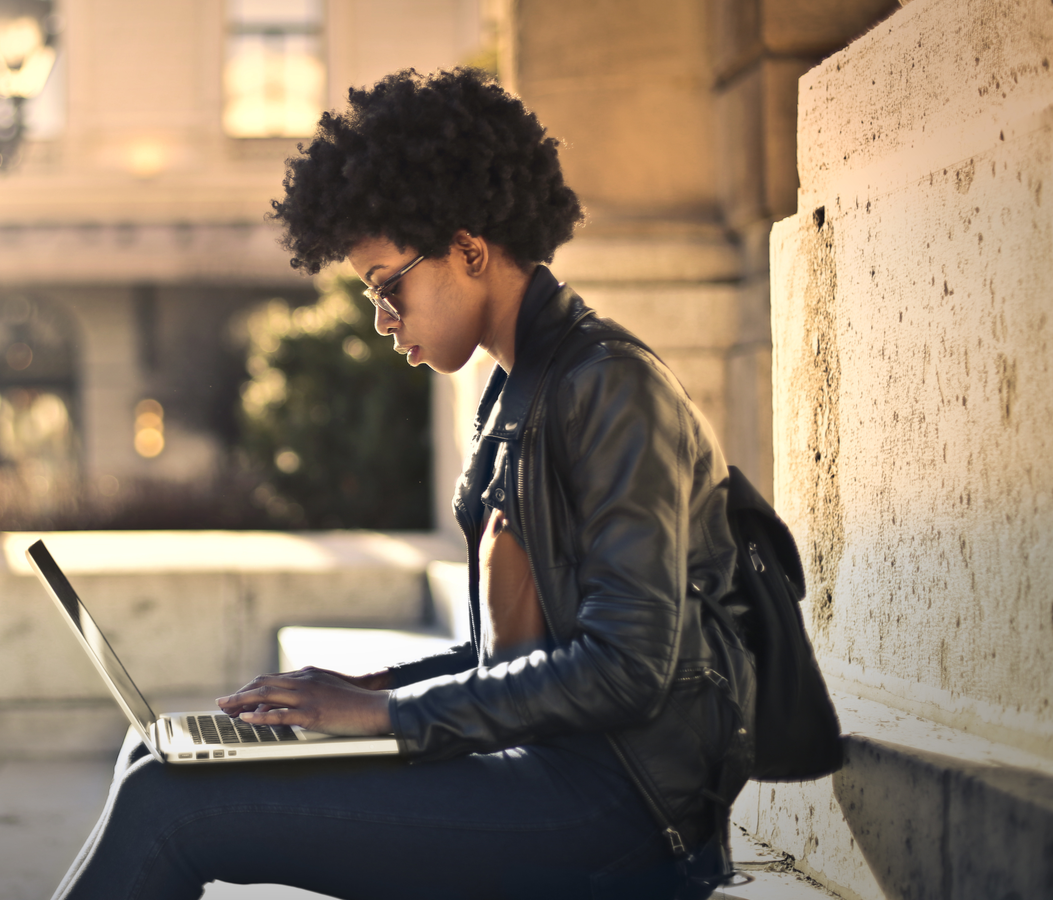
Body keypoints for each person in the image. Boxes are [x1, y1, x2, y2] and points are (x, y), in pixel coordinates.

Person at [52, 68, 752, 900]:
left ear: (468, 248)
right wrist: (364, 689)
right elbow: (518, 654)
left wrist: (384, 719)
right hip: (553, 775)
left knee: (170, 804)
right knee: (158, 752)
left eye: (389, 288)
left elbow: (626, 666)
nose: (384, 320)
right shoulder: (519, 388)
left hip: (623, 816)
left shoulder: (608, 386)